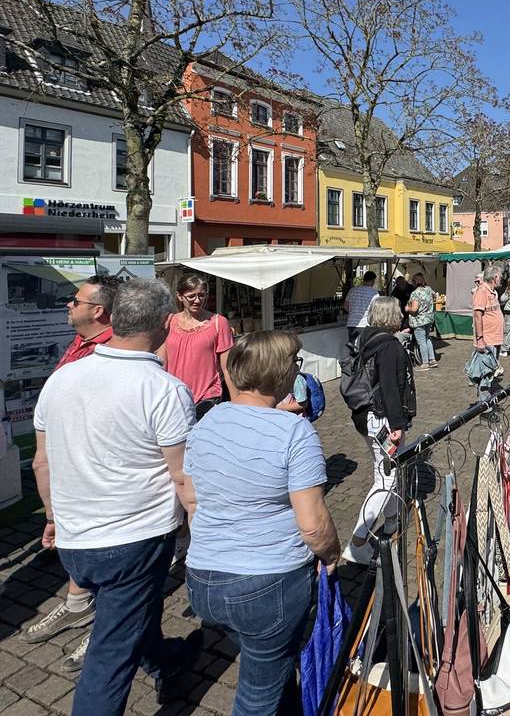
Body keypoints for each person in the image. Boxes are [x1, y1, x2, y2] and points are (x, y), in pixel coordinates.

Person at [31, 278, 200, 716]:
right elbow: (182, 476)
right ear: (165, 323)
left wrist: (52, 517)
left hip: (74, 536)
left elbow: (41, 463)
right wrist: (201, 532)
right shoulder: (164, 389)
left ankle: (165, 660)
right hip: (133, 538)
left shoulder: (61, 378)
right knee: (109, 656)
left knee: (129, 615)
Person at [182, 331, 340, 715]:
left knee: (272, 665)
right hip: (266, 583)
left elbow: (191, 498)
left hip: (202, 578)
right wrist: (332, 555)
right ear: (283, 376)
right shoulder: (294, 432)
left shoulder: (206, 422)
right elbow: (314, 524)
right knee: (256, 696)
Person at [22, 274, 122, 674]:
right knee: (77, 544)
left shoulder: (115, 350)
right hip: (67, 466)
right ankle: (78, 604)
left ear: (97, 310)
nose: (68, 305)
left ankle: (103, 630)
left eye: (75, 301)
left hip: (100, 471)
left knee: (110, 552)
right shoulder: (79, 344)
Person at [343, 297, 416, 565]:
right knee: (386, 479)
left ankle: (390, 520)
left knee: (384, 470)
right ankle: (357, 542)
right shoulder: (390, 346)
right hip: (383, 419)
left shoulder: (363, 338)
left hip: (365, 416)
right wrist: (397, 425)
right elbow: (390, 387)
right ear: (393, 316)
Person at [159, 274, 233, 421]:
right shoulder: (169, 322)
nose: (197, 300)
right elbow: (162, 363)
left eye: (202, 295)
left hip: (208, 397)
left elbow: (227, 367)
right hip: (175, 396)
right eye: (191, 296)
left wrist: (236, 401)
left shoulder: (219, 323)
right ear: (180, 297)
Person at [473, 266, 504, 369]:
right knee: (485, 371)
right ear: (494, 277)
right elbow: (478, 316)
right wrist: (480, 338)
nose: (501, 279)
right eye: (500, 277)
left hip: (495, 338)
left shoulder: (492, 291)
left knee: (491, 369)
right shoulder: (482, 291)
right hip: (488, 339)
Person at [406, 272, 438, 370]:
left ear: (415, 282)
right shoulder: (428, 289)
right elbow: (435, 295)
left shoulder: (415, 293)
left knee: (422, 342)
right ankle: (432, 359)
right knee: (427, 338)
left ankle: (425, 363)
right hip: (429, 319)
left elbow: (414, 309)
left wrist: (408, 309)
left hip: (419, 320)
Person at [342, 271, 379, 343]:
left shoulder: (352, 290)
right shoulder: (374, 293)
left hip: (352, 324)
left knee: (352, 347)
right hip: (366, 324)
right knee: (364, 348)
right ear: (372, 280)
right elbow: (376, 310)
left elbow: (345, 306)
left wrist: (354, 313)